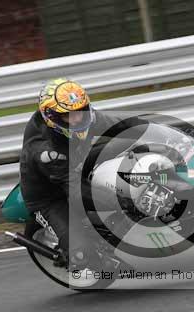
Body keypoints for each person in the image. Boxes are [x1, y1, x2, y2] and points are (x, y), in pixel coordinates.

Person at [19, 78, 124, 267]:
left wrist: (164, 136)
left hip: (76, 168)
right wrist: (120, 200)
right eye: (69, 115)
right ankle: (71, 256)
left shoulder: (84, 118)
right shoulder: (46, 151)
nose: (77, 119)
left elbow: (123, 126)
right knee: (82, 253)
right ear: (53, 117)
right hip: (51, 197)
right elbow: (76, 192)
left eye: (80, 111)